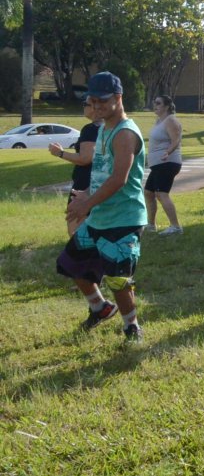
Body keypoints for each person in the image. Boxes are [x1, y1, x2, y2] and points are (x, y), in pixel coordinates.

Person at [63, 72, 148, 342]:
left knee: (118, 280)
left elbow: (119, 179)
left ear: (118, 98)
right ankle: (100, 308)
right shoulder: (103, 129)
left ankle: (132, 327)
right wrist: (86, 194)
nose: (96, 106)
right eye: (93, 101)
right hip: (99, 217)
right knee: (72, 264)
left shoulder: (125, 133)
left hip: (124, 219)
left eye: (102, 100)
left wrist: (86, 204)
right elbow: (102, 174)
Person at [49, 101, 111, 331]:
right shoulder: (107, 129)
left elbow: (86, 158)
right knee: (86, 231)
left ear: (94, 108)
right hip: (97, 185)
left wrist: (60, 153)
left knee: (76, 229)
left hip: (85, 186)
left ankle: (90, 278)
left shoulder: (90, 129)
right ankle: (94, 280)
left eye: (86, 103)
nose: (83, 107)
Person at [143, 94, 183, 236]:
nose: (155, 105)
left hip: (168, 162)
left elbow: (176, 140)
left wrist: (168, 152)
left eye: (158, 103)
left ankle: (176, 227)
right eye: (155, 102)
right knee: (148, 193)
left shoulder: (171, 120)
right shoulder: (159, 121)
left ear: (166, 106)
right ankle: (151, 225)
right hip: (158, 164)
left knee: (161, 193)